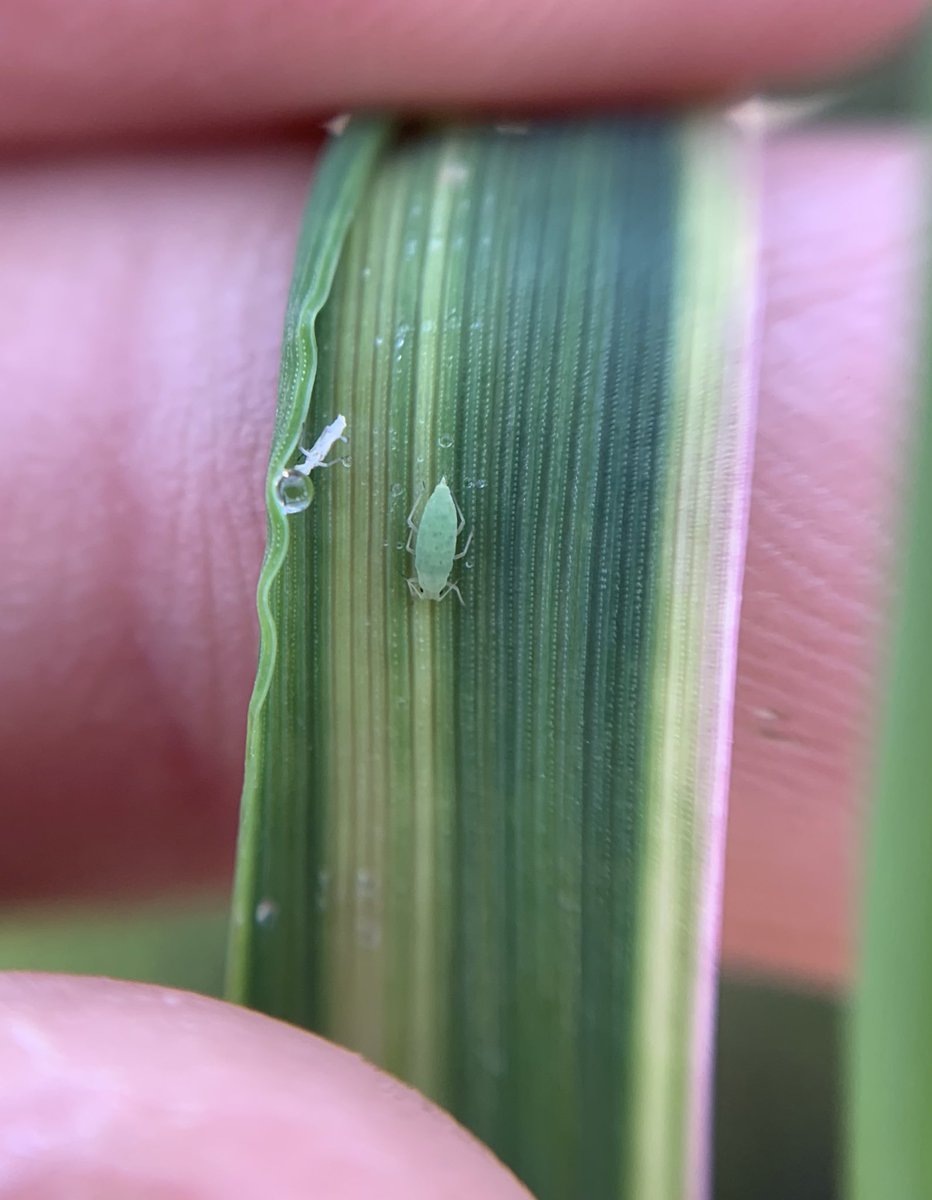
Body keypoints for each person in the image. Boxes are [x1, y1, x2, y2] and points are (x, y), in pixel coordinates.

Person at [0, 0, 922, 1191]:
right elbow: (431, 560)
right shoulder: (432, 552)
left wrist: (434, 552)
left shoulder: (439, 548)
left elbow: (436, 557)